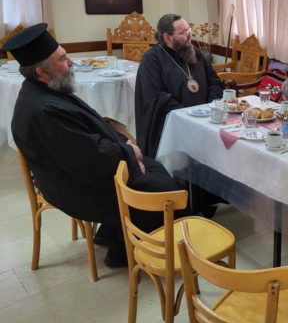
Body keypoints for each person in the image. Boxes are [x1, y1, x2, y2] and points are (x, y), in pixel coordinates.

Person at [4, 24, 183, 267]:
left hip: (73, 172)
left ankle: (112, 233)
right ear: (42, 72)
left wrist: (123, 144)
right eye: (63, 59)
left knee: (154, 169)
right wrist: (129, 154)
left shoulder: (42, 89)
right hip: (73, 187)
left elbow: (90, 129)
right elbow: (90, 158)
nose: (71, 63)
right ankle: (124, 253)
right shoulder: (44, 110)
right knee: (165, 190)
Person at [135, 13, 223, 159]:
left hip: (206, 121)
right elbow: (156, 98)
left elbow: (213, 80)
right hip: (173, 128)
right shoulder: (151, 60)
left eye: (188, 29)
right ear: (167, 38)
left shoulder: (195, 52)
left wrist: (211, 106)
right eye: (183, 32)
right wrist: (186, 117)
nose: (189, 34)